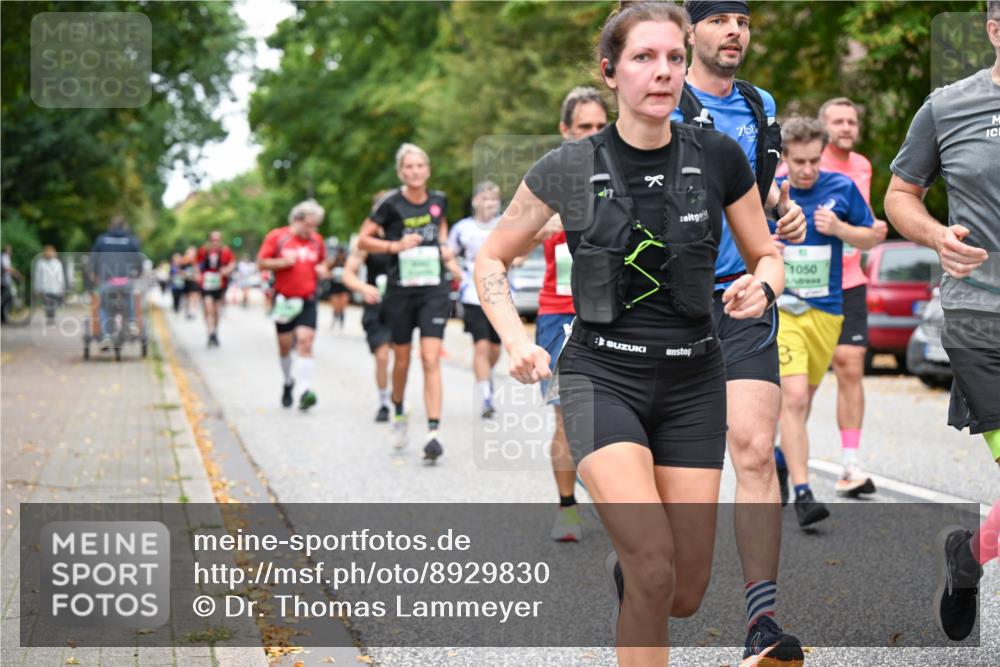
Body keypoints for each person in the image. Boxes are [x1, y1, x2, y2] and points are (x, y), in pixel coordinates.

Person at [474, 3, 785, 663]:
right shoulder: (569, 165)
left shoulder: (721, 155)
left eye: (674, 57)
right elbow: (492, 257)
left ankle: (642, 583)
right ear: (611, 71)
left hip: (695, 380)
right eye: (644, 57)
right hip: (600, 376)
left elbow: (767, 252)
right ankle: (642, 575)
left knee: (684, 589)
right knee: (652, 562)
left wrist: (767, 284)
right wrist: (515, 337)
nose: (663, 71)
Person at [670, 2, 808, 661]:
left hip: (746, 299)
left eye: (742, 20)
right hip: (670, 307)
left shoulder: (760, 105)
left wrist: (787, 210)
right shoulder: (664, 94)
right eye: (719, 19)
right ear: (690, 30)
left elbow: (768, 184)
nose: (734, 31)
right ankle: (646, 572)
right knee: (682, 474)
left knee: (754, 451)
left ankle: (762, 622)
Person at [884, 0, 1000, 641]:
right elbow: (901, 195)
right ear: (993, 29)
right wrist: (934, 235)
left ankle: (970, 553)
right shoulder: (948, 106)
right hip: (980, 312)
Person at [773, 116, 878, 528]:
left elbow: (872, 236)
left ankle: (782, 459)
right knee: (794, 399)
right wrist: (770, 247)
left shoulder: (840, 187)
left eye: (814, 160)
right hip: (783, 311)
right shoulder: (770, 192)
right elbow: (742, 240)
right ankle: (804, 493)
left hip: (828, 312)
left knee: (802, 403)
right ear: (784, 157)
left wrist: (840, 228)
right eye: (798, 161)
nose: (806, 169)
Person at [529, 86, 609, 542]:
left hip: (615, 312)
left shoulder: (626, 169)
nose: (594, 135)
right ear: (565, 131)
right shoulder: (549, 178)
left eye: (601, 126)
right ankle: (567, 508)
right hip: (560, 315)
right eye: (584, 128)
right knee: (566, 416)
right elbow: (511, 244)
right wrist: (552, 222)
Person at [357, 144, 457, 463]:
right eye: (408, 167)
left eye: (420, 166)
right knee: (402, 360)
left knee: (431, 359)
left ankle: (433, 432)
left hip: (433, 290)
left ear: (427, 170)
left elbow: (440, 229)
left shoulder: (439, 200)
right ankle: (398, 410)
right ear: (401, 172)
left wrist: (443, 247)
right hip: (400, 291)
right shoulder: (390, 204)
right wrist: (395, 245)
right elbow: (363, 240)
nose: (415, 171)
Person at [810, 97, 889, 497]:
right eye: (838, 121)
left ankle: (850, 463)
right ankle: (787, 459)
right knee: (802, 385)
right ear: (824, 128)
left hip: (852, 280)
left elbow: (864, 223)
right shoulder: (807, 164)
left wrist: (866, 229)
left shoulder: (862, 166)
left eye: (851, 121)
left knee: (851, 365)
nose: (846, 127)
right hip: (809, 283)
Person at [257, 200, 329, 411]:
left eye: (315, 226)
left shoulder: (317, 241)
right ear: (297, 220)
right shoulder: (278, 237)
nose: (312, 230)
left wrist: (322, 269)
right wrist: (282, 263)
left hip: (308, 299)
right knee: (285, 347)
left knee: (306, 342)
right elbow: (261, 262)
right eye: (309, 225)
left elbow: (322, 262)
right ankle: (289, 381)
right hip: (285, 300)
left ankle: (304, 391)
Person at [448, 181, 504, 419]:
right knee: (480, 345)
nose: (489, 203)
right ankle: (485, 396)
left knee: (494, 348)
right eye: (485, 198)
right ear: (475, 201)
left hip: (501, 294)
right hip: (473, 294)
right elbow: (448, 254)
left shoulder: (505, 225)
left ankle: (485, 377)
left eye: (493, 199)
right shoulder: (463, 228)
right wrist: (457, 272)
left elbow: (521, 250)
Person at [89, 216, 144, 343]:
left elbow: (94, 259)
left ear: (110, 226)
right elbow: (138, 259)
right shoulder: (130, 240)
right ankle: (131, 323)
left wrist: (94, 274)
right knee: (129, 297)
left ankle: (106, 336)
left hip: (107, 281)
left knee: (103, 306)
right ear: (124, 226)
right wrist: (138, 273)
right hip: (125, 280)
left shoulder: (101, 240)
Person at [197, 231, 236, 347]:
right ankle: (209, 332)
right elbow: (197, 265)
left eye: (217, 240)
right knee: (208, 307)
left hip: (220, 284)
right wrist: (198, 275)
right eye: (213, 240)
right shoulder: (203, 251)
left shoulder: (225, 251)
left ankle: (215, 332)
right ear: (209, 240)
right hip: (206, 284)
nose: (215, 242)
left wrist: (227, 270)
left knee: (216, 310)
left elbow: (232, 263)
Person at [33, 245, 66, 326]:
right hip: (45, 288)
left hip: (55, 287)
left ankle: (52, 317)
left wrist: (62, 287)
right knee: (47, 304)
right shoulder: (40, 263)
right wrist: (36, 287)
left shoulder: (57, 263)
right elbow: (37, 276)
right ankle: (49, 318)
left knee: (53, 304)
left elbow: (60, 276)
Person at [327, 243, 350, 330]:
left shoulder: (347, 263)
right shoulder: (333, 262)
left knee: (342, 306)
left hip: (344, 286)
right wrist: (332, 275)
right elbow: (327, 272)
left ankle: (341, 322)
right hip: (334, 286)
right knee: (335, 305)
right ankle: (334, 319)